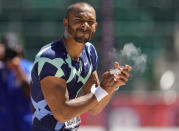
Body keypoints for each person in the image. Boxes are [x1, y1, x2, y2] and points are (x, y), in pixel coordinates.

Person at [30, 2, 132, 131]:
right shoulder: (51, 58)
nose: (85, 25)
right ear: (66, 23)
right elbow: (62, 113)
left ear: (95, 27)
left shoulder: (89, 52)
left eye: (90, 22)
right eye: (79, 20)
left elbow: (95, 107)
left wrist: (112, 85)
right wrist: (103, 89)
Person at [0, 32, 33, 131]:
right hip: (4, 124)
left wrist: (18, 69)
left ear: (20, 50)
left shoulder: (29, 67)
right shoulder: (1, 68)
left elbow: (33, 95)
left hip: (26, 124)